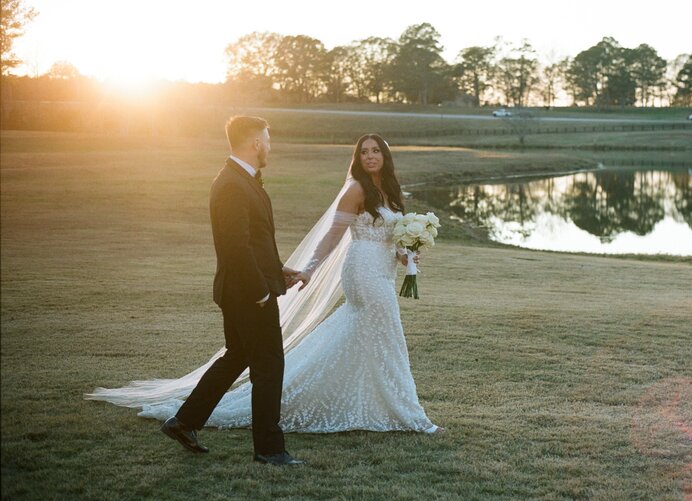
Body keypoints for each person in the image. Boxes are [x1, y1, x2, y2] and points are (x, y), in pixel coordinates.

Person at [87, 133, 443, 449]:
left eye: (375, 151)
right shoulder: (356, 189)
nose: (369, 156)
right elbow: (332, 236)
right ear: (357, 157)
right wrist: (310, 268)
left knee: (371, 335)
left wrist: (406, 252)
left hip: (382, 270)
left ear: (385, 156)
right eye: (363, 151)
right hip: (362, 271)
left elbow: (391, 236)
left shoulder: (390, 191)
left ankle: (373, 402)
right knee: (387, 333)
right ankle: (408, 413)